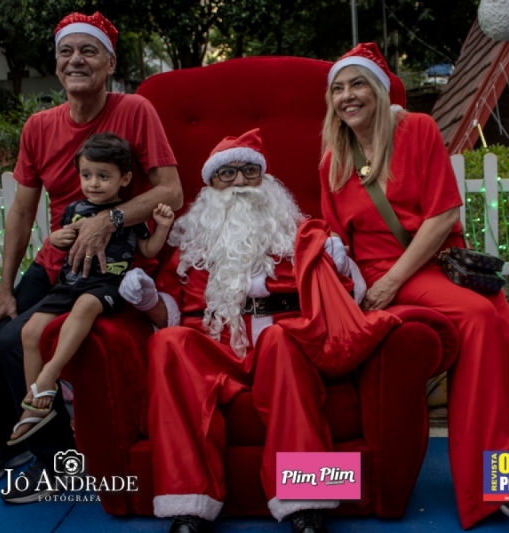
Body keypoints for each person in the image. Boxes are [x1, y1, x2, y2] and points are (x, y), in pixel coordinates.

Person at [119, 129, 395, 533]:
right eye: (226, 174)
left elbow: (344, 299)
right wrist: (148, 300)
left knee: (282, 341)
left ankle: (307, 502)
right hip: (214, 346)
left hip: (282, 343)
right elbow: (170, 313)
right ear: (210, 185)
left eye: (249, 171)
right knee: (167, 343)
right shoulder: (191, 243)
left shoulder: (298, 235)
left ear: (266, 179)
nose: (239, 182)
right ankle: (189, 503)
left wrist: (340, 266)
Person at [319, 43, 509, 529]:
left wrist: (396, 278)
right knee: (478, 319)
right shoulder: (333, 163)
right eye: (338, 88)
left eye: (357, 84)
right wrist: (365, 292)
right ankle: (489, 481)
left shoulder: (416, 130)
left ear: (379, 90)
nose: (347, 96)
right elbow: (337, 241)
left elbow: (443, 214)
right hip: (385, 275)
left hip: (439, 261)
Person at [0, 11, 183, 503]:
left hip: (110, 262)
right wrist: (4, 290)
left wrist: (111, 219)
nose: (75, 60)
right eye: (66, 51)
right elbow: (23, 211)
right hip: (56, 261)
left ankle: (56, 459)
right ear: (57, 63)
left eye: (88, 51)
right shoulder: (39, 126)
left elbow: (171, 189)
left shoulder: (135, 110)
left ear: (110, 63)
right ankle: (15, 445)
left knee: (16, 341)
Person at [9, 132, 174, 444]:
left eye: (103, 176)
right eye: (86, 175)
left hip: (108, 284)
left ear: (125, 179)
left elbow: (147, 250)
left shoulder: (130, 214)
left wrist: (162, 227)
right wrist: (54, 239)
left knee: (86, 305)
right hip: (71, 282)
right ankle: (36, 403)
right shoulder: (74, 209)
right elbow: (63, 238)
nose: (93, 183)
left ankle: (49, 375)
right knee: (30, 332)